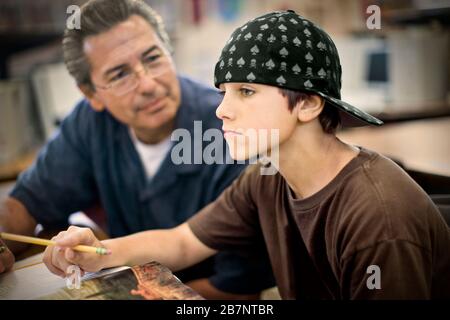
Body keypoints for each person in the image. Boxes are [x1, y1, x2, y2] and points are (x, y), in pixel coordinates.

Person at [42, 10, 450, 299]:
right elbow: (182, 242)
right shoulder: (267, 177)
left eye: (247, 92)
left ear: (307, 103)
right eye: (224, 92)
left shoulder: (376, 218)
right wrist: (97, 252)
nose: (221, 109)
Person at [0, 0, 276, 299]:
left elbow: (237, 292)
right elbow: (23, 205)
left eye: (153, 58)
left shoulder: (231, 134)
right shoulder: (91, 123)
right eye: (119, 75)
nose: (147, 84)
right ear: (91, 93)